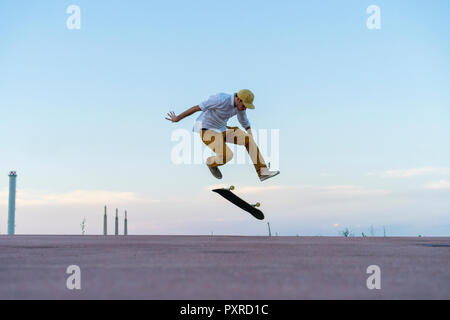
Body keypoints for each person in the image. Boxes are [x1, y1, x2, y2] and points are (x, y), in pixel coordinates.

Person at [166, 89, 280, 182]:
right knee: (228, 155)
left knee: (248, 140)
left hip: (222, 129)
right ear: (238, 99)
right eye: (244, 105)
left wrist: (250, 135)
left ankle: (262, 172)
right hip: (206, 130)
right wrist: (177, 118)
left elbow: (244, 121)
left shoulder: (240, 107)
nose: (245, 108)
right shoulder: (220, 99)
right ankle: (211, 162)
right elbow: (196, 108)